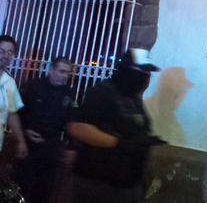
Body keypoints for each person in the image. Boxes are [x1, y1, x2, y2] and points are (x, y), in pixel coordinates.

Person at [68, 48, 165, 203]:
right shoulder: (102, 93)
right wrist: (118, 142)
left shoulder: (132, 98)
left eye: (148, 73)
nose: (146, 77)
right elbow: (78, 128)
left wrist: (142, 140)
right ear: (127, 71)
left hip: (127, 184)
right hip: (98, 185)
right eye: (142, 72)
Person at [17, 57, 74, 203]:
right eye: (62, 71)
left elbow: (71, 120)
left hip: (51, 145)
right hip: (29, 144)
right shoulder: (33, 86)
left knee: (44, 188)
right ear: (51, 70)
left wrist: (70, 146)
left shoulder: (68, 93)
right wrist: (25, 130)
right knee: (21, 185)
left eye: (68, 73)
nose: (65, 76)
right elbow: (18, 113)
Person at [0, 35, 28, 162]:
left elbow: (11, 113)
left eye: (9, 52)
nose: (5, 55)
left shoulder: (9, 82)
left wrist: (21, 141)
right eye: (1, 51)